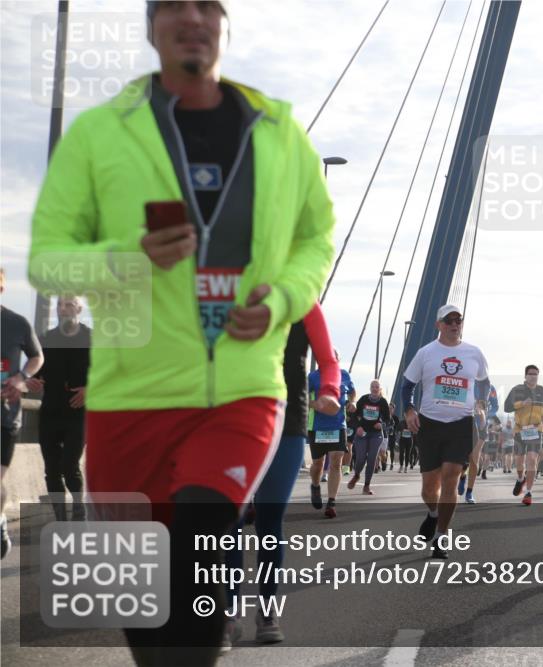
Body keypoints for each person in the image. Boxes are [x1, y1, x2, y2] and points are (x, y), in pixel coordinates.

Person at [28, 1, 335, 660]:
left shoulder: (280, 132)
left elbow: (316, 241)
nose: (192, 16)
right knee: (147, 617)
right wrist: (128, 257)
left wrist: (283, 296)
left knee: (204, 528)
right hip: (129, 398)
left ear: (224, 24)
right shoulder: (98, 134)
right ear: (151, 26)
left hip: (241, 392)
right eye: (174, 5)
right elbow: (46, 259)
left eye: (207, 5)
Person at [223, 303, 340, 648]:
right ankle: (228, 613)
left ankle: (267, 612)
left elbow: (328, 360)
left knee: (270, 520)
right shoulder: (226, 289)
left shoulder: (304, 303)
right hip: (232, 419)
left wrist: (330, 392)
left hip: (285, 422)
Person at [401, 304, 490, 558]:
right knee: (430, 488)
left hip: (461, 424)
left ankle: (441, 537)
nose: (454, 324)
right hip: (430, 423)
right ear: (438, 325)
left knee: (451, 476)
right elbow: (406, 386)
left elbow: (484, 383)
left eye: (458, 320)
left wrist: (481, 404)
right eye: (448, 320)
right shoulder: (426, 353)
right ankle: (432, 512)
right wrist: (409, 410)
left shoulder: (474, 353)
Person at [32, 296, 91, 522]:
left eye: (68, 304)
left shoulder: (92, 338)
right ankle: (60, 519)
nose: (63, 309)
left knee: (70, 464)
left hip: (78, 413)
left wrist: (89, 389)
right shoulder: (45, 339)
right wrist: (32, 381)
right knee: (52, 470)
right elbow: (34, 373)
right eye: (59, 305)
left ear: (79, 308)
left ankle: (78, 510)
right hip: (50, 412)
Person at [1, 268, 44, 558]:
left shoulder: (16, 323)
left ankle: (0, 519)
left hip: (5, 417)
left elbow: (37, 356)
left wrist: (19, 379)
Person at [309, 352, 356, 517]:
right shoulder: (313, 377)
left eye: (335, 356)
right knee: (317, 465)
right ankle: (315, 486)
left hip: (338, 425)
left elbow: (352, 391)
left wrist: (352, 402)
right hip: (317, 426)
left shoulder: (343, 374)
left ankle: (331, 502)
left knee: (336, 462)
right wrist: (317, 404)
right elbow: (302, 396)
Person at [505, 365, 543, 506]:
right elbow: (506, 407)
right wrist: (521, 403)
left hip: (536, 431)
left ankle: (528, 493)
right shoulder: (517, 390)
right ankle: (520, 479)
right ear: (525, 376)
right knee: (519, 461)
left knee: (531, 459)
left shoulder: (542, 391)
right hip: (520, 430)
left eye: (536, 374)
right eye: (530, 374)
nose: (533, 376)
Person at [348, 380, 391, 495]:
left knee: (372, 458)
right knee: (360, 458)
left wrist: (382, 425)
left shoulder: (383, 402)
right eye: (373, 386)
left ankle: (366, 486)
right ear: (370, 388)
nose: (374, 388)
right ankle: (356, 475)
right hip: (362, 433)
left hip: (376, 434)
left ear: (379, 389)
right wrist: (358, 427)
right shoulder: (363, 399)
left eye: (377, 387)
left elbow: (388, 420)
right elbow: (354, 415)